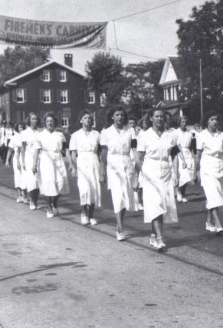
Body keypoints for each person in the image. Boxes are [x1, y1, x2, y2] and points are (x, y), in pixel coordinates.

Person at [135, 109, 181, 251]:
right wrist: (139, 176)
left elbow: (174, 156)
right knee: (154, 203)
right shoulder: (145, 136)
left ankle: (154, 235)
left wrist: (176, 174)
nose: (159, 119)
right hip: (150, 171)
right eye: (156, 116)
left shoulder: (170, 135)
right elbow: (138, 158)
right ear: (151, 118)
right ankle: (160, 238)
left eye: (162, 117)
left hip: (166, 172)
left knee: (163, 205)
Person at [100, 107, 137, 240]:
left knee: (126, 196)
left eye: (122, 115)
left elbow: (134, 149)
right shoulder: (106, 132)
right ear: (112, 117)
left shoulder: (130, 131)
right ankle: (120, 228)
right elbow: (103, 153)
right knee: (117, 195)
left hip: (127, 164)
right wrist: (102, 171)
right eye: (117, 115)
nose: (120, 117)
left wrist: (137, 169)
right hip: (113, 166)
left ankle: (119, 223)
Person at [194, 110, 223, 234]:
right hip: (207, 166)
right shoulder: (201, 135)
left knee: (217, 195)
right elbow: (198, 155)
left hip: (219, 165)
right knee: (212, 194)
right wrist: (195, 172)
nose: (215, 122)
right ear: (207, 121)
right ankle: (218, 222)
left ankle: (209, 221)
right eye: (212, 119)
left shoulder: (222, 135)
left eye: (216, 119)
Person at [34, 112, 70, 219]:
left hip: (58, 159)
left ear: (55, 122)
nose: (50, 123)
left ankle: (54, 202)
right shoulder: (40, 135)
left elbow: (66, 149)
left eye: (52, 121)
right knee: (49, 184)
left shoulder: (60, 135)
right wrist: (34, 164)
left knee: (61, 183)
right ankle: (49, 208)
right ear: (45, 123)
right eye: (48, 121)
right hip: (46, 160)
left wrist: (71, 162)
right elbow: (36, 151)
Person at [69, 111, 101, 225]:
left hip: (93, 161)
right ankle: (83, 213)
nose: (88, 120)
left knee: (93, 188)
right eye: (85, 118)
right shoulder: (76, 135)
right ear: (81, 120)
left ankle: (91, 215)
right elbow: (73, 152)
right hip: (81, 162)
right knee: (84, 189)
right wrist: (73, 166)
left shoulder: (96, 134)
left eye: (89, 118)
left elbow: (100, 150)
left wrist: (101, 165)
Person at [21, 113, 42, 210]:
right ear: (29, 120)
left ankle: (36, 201)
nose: (35, 121)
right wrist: (23, 161)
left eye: (36, 119)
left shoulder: (40, 132)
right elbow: (23, 148)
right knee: (32, 180)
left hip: (40, 158)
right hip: (29, 158)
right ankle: (32, 201)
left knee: (38, 181)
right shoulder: (25, 133)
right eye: (33, 119)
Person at [5, 122, 28, 203]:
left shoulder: (26, 136)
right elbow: (10, 150)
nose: (20, 129)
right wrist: (7, 160)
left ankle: (25, 195)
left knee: (25, 176)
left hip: (25, 157)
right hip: (17, 158)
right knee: (18, 176)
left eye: (22, 127)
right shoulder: (14, 137)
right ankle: (20, 195)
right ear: (17, 128)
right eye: (19, 127)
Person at [176, 115, 195, 202]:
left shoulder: (189, 133)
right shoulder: (176, 132)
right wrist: (182, 158)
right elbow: (176, 146)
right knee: (182, 174)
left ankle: (183, 194)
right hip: (179, 154)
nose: (184, 124)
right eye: (182, 122)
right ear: (179, 122)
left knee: (188, 175)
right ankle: (179, 192)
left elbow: (191, 147)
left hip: (188, 154)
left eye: (185, 122)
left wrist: (192, 156)